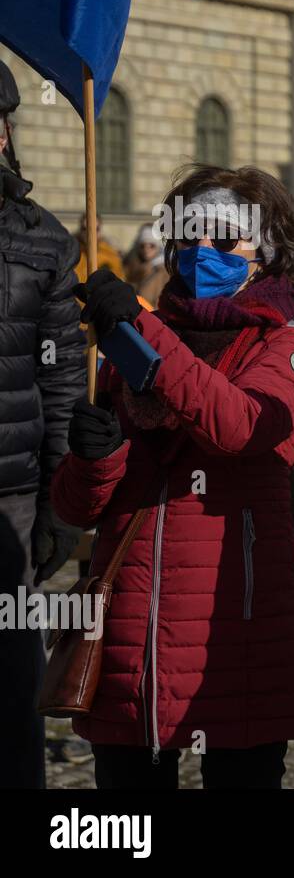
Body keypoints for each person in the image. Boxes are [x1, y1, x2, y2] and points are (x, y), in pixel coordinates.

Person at [50, 164, 294, 789]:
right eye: (191, 236)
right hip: (129, 640)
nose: (206, 251)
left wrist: (142, 329)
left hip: (237, 637)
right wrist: (96, 458)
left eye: (227, 239)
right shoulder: (126, 347)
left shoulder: (289, 346)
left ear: (266, 251)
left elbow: (239, 425)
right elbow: (76, 506)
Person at [0, 59, 85, 789]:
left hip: (13, 502)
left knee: (9, 689)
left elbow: (62, 382)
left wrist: (64, 495)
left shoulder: (46, 243)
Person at [123, 223, 169, 308]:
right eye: (142, 246)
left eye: (151, 246)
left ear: (159, 247)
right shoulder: (131, 267)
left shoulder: (165, 271)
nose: (146, 249)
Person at [73, 213, 124, 283]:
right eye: (85, 229)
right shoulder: (70, 254)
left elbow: (118, 283)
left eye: (95, 229)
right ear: (80, 230)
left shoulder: (111, 255)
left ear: (100, 230)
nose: (89, 233)